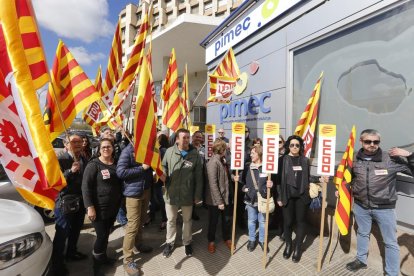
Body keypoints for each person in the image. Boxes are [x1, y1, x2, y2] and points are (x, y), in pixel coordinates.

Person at [345, 129, 414, 275]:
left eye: (375, 141)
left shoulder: (390, 159)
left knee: (390, 242)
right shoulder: (354, 158)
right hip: (360, 205)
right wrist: (342, 188)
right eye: (368, 141)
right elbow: (348, 176)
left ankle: (392, 273)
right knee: (362, 233)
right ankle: (361, 260)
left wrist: (409, 155)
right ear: (361, 142)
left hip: (384, 209)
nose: (372, 144)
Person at [276, 135, 327, 263]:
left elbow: (308, 177)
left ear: (300, 147)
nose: (294, 147)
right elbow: (277, 180)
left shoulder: (304, 160)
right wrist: (279, 196)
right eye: (292, 145)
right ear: (288, 146)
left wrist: (318, 179)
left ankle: (298, 247)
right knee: (287, 222)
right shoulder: (282, 160)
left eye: (297, 145)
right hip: (287, 196)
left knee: (301, 222)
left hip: (302, 196)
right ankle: (288, 244)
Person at [82, 138, 122, 275]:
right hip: (98, 208)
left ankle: (103, 257)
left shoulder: (116, 163)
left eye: (108, 146)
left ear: (113, 148)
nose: (106, 149)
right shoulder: (94, 165)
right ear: (99, 149)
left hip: (112, 207)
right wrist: (89, 207)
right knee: (101, 236)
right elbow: (85, 187)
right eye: (103, 147)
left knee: (106, 235)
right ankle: (96, 266)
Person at [161, 128, 204, 258]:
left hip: (187, 194)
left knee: (187, 220)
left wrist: (197, 196)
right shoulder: (169, 151)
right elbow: (164, 166)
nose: (186, 140)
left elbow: (199, 176)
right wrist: (162, 175)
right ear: (177, 139)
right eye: (183, 137)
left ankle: (187, 242)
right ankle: (169, 242)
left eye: (187, 137)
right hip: (171, 194)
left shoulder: (195, 153)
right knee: (171, 220)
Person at [51, 133, 87, 275]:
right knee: (62, 233)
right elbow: (56, 181)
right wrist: (70, 172)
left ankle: (71, 253)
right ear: (66, 145)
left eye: (79, 142)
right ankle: (57, 265)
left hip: (80, 201)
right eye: (74, 142)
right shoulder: (60, 158)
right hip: (65, 201)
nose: (77, 144)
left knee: (76, 229)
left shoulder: (83, 157)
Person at [116, 143, 154, 276]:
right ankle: (127, 260)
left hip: (146, 190)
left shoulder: (147, 149)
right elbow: (120, 172)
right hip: (133, 194)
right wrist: (141, 168)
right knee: (132, 226)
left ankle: (139, 243)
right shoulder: (127, 151)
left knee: (142, 220)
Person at [234, 145, 273, 252]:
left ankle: (262, 240)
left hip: (263, 199)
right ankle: (251, 239)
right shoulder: (247, 167)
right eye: (251, 153)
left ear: (259, 154)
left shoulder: (267, 167)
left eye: (253, 153)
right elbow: (241, 181)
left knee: (263, 221)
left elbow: (273, 181)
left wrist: (271, 183)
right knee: (251, 221)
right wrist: (240, 184)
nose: (250, 155)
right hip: (250, 199)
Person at [206, 139, 232, 253]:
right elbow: (213, 184)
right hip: (215, 200)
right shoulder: (213, 162)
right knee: (213, 221)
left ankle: (227, 238)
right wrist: (219, 201)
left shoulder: (222, 160)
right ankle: (211, 241)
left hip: (225, 197)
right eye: (225, 148)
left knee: (226, 220)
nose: (227, 150)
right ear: (221, 149)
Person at [147, 133, 169, 230]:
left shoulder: (163, 150)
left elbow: (163, 165)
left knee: (160, 199)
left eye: (157, 137)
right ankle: (151, 217)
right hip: (151, 177)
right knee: (152, 199)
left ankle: (164, 219)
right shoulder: (155, 149)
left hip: (158, 178)